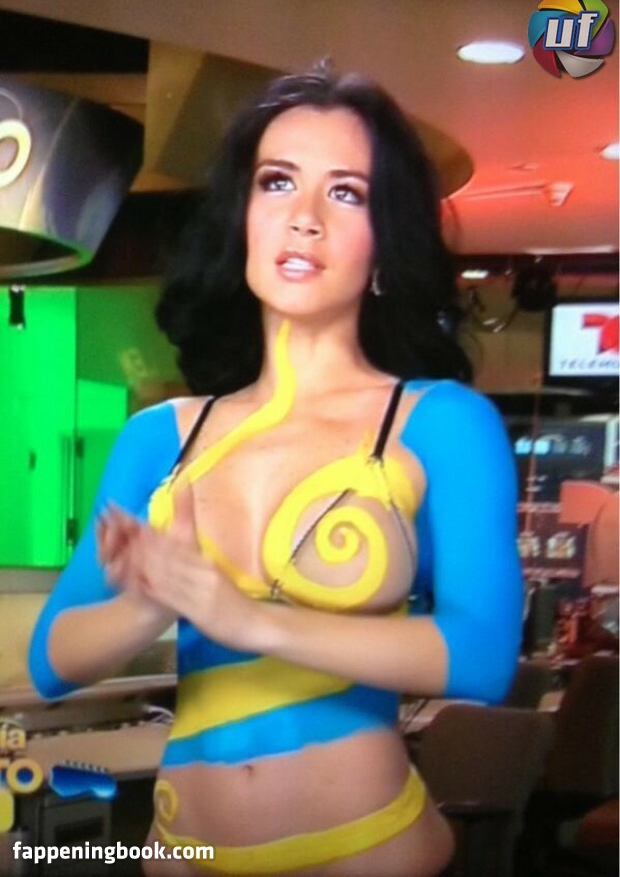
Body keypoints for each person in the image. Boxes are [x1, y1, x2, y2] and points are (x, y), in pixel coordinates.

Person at [29, 65, 523, 876]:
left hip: (365, 854)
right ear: (243, 220)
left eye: (346, 193)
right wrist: (150, 604)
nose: (304, 218)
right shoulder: (162, 437)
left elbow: (482, 655)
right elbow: (51, 660)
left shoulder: (439, 424)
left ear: (385, 240)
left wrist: (248, 620)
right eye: (278, 182)